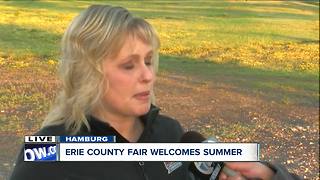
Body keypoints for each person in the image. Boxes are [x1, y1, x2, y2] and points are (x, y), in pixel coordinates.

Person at [10, 5, 300, 180]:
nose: (148, 75)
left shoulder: (170, 132)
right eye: (128, 65)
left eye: (149, 61)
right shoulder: (45, 150)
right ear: (88, 72)